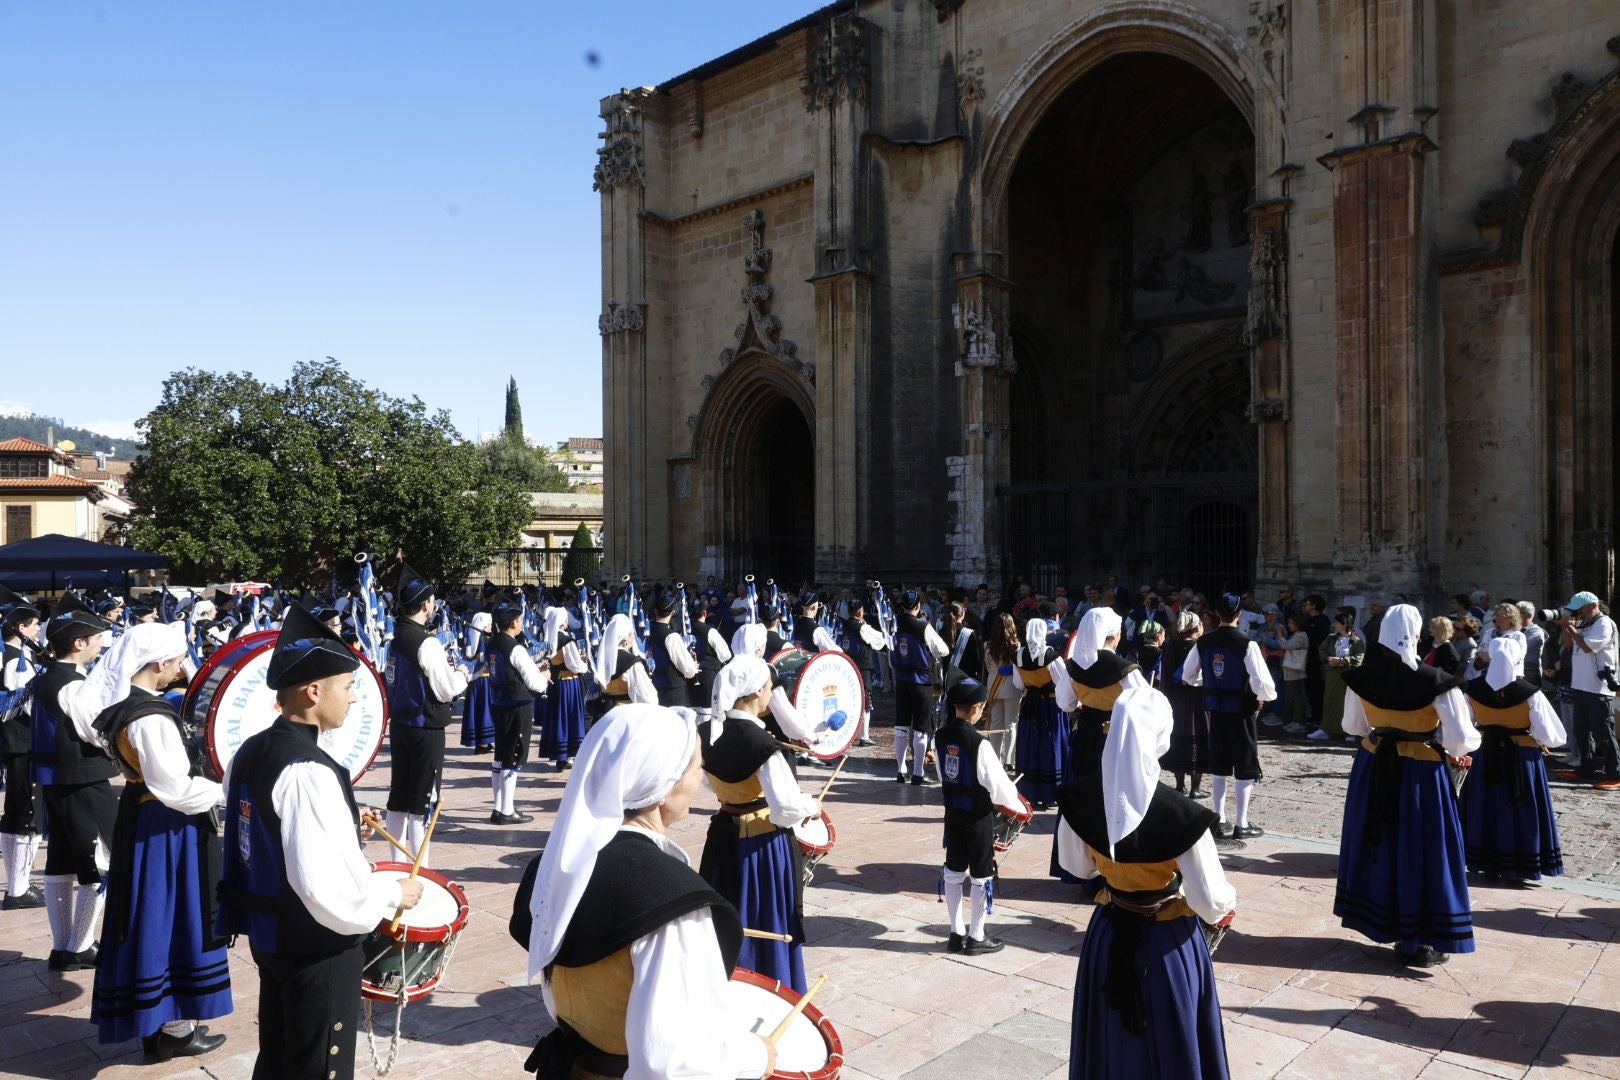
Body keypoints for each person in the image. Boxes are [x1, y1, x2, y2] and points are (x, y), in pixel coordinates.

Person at [217, 604, 424, 1080]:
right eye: (348, 687)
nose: (353, 699)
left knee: (280, 1055)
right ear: (313, 691)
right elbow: (324, 889)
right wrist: (395, 893)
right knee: (317, 1067)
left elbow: (275, 838)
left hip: (274, 936)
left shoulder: (252, 750)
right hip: (316, 945)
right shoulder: (308, 770)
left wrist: (348, 827)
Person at [517, 704, 777, 1078]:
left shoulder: (554, 868)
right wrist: (753, 1056)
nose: (700, 779)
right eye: (693, 769)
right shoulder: (670, 903)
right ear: (662, 788)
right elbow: (674, 1064)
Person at [1055, 685, 1236, 1079]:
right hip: (1167, 943)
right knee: (1173, 1043)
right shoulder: (1183, 815)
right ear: (1160, 735)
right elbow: (1211, 901)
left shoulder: (1078, 799)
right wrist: (1226, 900)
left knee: (1108, 1041)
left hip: (1110, 931)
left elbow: (1076, 867)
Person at [90, 622, 230, 1060]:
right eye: (176, 661)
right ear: (161, 663)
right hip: (165, 828)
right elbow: (175, 788)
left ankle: (158, 1023)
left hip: (146, 822)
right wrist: (231, 788)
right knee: (169, 918)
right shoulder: (149, 717)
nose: (180, 668)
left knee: (154, 914)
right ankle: (173, 1028)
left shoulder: (129, 706)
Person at [1335, 604, 1480, 967]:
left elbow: (1352, 726)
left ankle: (1387, 925)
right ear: (1416, 634)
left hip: (1375, 762)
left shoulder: (1361, 676)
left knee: (1380, 840)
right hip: (1421, 772)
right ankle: (1423, 938)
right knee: (1424, 849)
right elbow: (1461, 739)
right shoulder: (1436, 681)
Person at [699, 655, 820, 992]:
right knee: (766, 919)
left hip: (723, 839)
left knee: (728, 917)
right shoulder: (764, 744)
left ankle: (728, 984)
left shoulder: (708, 733)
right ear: (754, 693)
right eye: (768, 687)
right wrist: (811, 805)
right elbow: (784, 809)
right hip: (763, 848)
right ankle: (771, 986)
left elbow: (708, 782)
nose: (771, 693)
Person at [31, 596, 116, 970]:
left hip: (58, 780)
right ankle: (79, 945)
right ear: (79, 643)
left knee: (62, 863)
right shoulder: (73, 684)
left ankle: (63, 946)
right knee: (100, 863)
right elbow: (97, 733)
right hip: (82, 779)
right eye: (96, 638)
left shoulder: (49, 678)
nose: (100, 644)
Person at [1458, 636, 1565, 882]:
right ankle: (1521, 862)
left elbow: (1466, 725)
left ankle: (1486, 859)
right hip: (1522, 756)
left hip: (1486, 752)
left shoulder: (1473, 689)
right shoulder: (1530, 693)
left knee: (1485, 805)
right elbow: (1552, 735)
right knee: (1520, 807)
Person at [384, 561, 470, 864]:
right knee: (422, 801)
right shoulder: (427, 643)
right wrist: (462, 673)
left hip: (401, 725)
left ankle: (397, 861)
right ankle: (421, 870)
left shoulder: (394, 640)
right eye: (432, 600)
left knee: (399, 797)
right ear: (424, 604)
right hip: (425, 727)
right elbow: (447, 689)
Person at [935, 670, 1025, 956]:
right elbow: (999, 788)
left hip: (953, 815)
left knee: (953, 871)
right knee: (981, 875)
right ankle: (976, 936)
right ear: (976, 708)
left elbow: (943, 774)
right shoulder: (980, 744)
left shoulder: (939, 736)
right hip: (977, 817)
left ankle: (955, 932)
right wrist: (1018, 804)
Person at [1178, 595, 1277, 840]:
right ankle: (1241, 823)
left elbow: (1188, 676)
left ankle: (1219, 819)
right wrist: (1261, 695)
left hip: (1216, 711)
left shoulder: (1203, 642)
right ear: (1240, 614)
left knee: (1219, 764)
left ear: (1214, 614)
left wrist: (1210, 684)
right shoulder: (1247, 644)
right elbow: (1263, 684)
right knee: (1245, 766)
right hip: (1242, 712)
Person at [487, 603, 551, 825]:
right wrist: (544, 678)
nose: (522, 623)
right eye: (520, 619)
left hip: (498, 703)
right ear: (513, 622)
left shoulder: (492, 644)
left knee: (500, 755)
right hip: (517, 704)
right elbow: (533, 681)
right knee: (513, 756)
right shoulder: (515, 648)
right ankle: (506, 810)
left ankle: (498, 808)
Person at [1062, 607, 1146, 774]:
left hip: (1084, 732)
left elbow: (1065, 703)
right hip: (1115, 735)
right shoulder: (1126, 670)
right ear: (1115, 635)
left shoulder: (1073, 666)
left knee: (1084, 781)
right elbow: (1144, 708)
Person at [2, 599, 44, 909]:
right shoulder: (15, 659)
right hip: (22, 743)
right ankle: (18, 889)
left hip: (14, 744)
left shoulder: (12, 654)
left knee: (14, 813)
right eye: (34, 624)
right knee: (24, 815)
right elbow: (27, 707)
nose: (39, 628)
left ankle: (18, 887)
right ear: (21, 628)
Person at [1559, 591, 1620, 787]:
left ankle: (1615, 773)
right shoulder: (1585, 623)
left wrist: (1574, 631)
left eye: (1581, 607)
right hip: (1580, 685)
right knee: (1582, 731)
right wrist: (1565, 628)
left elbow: (1587, 648)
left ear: (1594, 605)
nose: (1579, 611)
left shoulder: (1604, 623)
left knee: (1603, 731)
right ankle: (1586, 768)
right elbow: (1569, 646)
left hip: (1598, 687)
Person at [891, 590, 950, 785]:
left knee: (901, 726)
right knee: (921, 728)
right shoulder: (924, 626)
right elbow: (943, 650)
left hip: (901, 680)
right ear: (917, 606)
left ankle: (900, 770)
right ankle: (918, 772)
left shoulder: (894, 624)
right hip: (921, 681)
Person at [1014, 618, 1069, 810]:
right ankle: (1050, 792)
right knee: (1050, 744)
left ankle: (1028, 790)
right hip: (1050, 706)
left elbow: (1018, 684)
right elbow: (1063, 682)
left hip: (1030, 704)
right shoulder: (1051, 656)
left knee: (1029, 744)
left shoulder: (1018, 655)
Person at [1160, 611, 1209, 797]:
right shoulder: (1200, 647)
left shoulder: (1170, 646)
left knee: (1178, 737)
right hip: (1197, 700)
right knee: (1197, 736)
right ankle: (1195, 788)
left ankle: (1180, 785)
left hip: (1176, 700)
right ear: (1197, 628)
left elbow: (1165, 676)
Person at [539, 606, 591, 770]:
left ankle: (560, 756)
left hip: (556, 682)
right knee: (570, 717)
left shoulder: (548, 638)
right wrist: (584, 664)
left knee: (558, 717)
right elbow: (575, 665)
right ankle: (567, 755)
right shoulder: (566, 640)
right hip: (569, 683)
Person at [1314, 608, 1366, 741]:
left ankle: (1349, 732)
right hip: (1332, 675)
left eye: (1336, 623)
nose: (1334, 625)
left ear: (1344, 624)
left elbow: (1359, 658)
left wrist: (1342, 661)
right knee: (1329, 701)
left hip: (1348, 676)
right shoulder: (1331, 638)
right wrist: (1328, 659)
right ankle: (1325, 729)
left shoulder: (1356, 640)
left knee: (1347, 703)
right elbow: (1321, 650)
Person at [984, 613, 1024, 767]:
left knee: (996, 723)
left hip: (993, 686)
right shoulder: (1016, 645)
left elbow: (988, 668)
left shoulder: (987, 645)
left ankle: (995, 758)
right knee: (1011, 724)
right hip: (1012, 687)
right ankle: (1009, 760)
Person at [648, 593, 700, 707]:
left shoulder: (646, 631)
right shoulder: (672, 637)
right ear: (673, 613)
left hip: (652, 686)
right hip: (672, 690)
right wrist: (693, 666)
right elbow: (688, 670)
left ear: (655, 610)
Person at [459, 610, 497, 755]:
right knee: (484, 710)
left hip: (478, 680)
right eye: (489, 625)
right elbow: (482, 660)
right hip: (483, 679)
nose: (491, 627)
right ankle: (483, 742)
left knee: (480, 710)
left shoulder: (477, 638)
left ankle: (482, 742)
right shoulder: (481, 640)